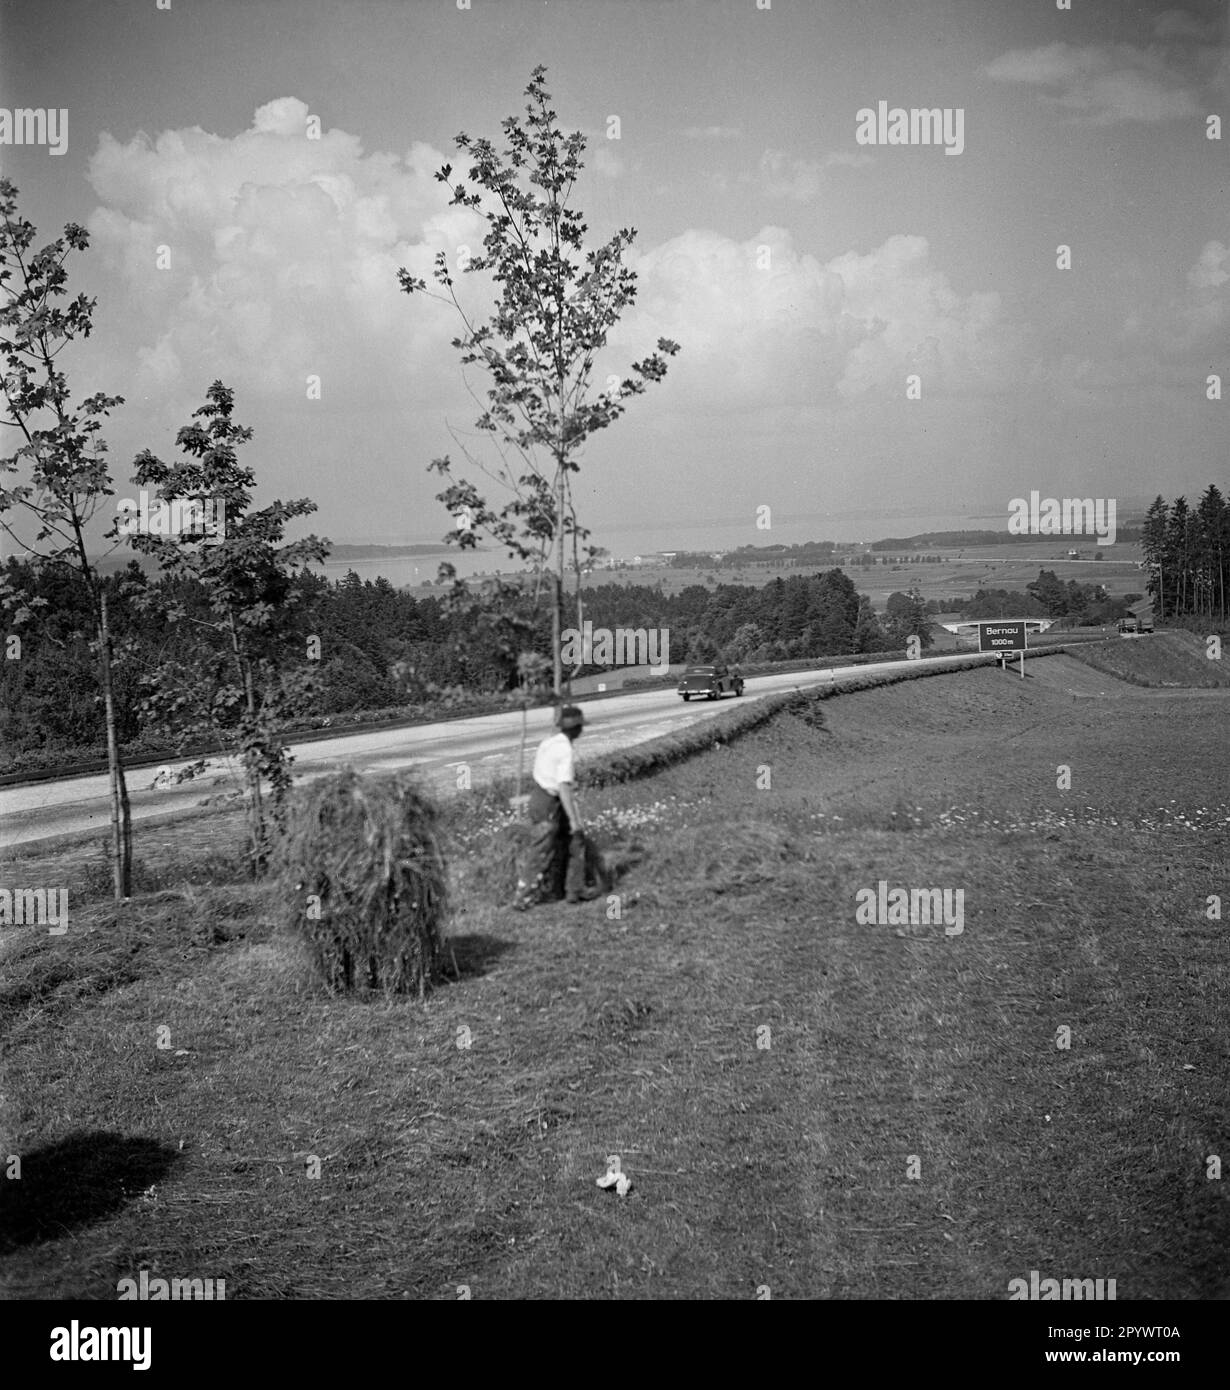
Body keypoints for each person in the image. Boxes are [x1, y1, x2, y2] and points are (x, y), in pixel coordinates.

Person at [513, 705, 600, 909]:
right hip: (549, 803)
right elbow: (563, 788)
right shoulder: (565, 751)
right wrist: (573, 819)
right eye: (580, 727)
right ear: (577, 729)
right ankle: (523, 897)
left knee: (574, 842)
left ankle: (574, 889)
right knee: (542, 850)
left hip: (539, 796)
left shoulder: (548, 742)